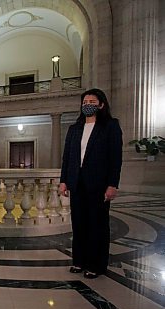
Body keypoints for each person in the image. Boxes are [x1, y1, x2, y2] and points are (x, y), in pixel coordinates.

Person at [59, 88, 122, 279]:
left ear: (101, 104)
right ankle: (79, 261)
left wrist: (112, 184)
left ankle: (96, 264)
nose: (87, 104)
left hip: (99, 185)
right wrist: (63, 181)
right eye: (85, 101)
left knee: (98, 225)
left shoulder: (110, 126)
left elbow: (115, 158)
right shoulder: (74, 128)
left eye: (92, 102)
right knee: (79, 225)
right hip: (76, 183)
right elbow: (67, 158)